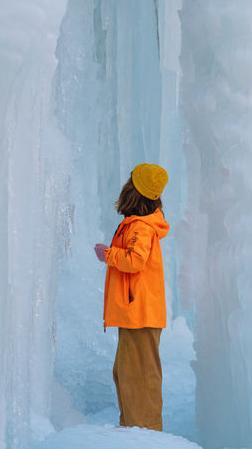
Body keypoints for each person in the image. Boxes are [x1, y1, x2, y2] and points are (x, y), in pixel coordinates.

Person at [94, 162, 170, 431]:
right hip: (136, 313)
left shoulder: (142, 228)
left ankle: (144, 434)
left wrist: (108, 255)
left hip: (140, 314)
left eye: (131, 181)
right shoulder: (138, 225)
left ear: (134, 192)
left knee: (138, 377)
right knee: (126, 374)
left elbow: (135, 261)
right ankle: (131, 430)